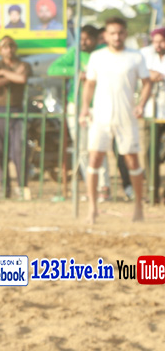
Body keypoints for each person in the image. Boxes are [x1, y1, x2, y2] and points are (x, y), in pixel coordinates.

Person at [80, 17, 151, 223]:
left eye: (120, 33)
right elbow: (90, 84)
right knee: (94, 158)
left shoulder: (135, 56)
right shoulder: (97, 57)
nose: (116, 37)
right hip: (101, 116)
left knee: (132, 160)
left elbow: (147, 83)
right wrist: (85, 108)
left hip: (126, 115)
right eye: (112, 33)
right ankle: (93, 208)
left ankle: (138, 207)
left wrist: (141, 104)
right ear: (106, 35)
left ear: (125, 34)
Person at [49, 25, 114, 199]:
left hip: (98, 105)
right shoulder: (75, 53)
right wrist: (76, 72)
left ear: (95, 39)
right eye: (81, 39)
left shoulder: (103, 53)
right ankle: (91, 187)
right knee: (82, 148)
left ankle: (103, 186)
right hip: (76, 104)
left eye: (87, 39)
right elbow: (53, 69)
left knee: (98, 147)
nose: (83, 42)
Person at [0, 36, 32, 199]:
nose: (9, 50)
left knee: (19, 150)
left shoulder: (24, 65)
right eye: (5, 47)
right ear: (0, 50)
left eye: (11, 46)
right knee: (0, 151)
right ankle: (4, 188)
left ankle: (22, 187)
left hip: (16, 110)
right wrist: (11, 76)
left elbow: (22, 78)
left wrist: (4, 74)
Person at [140, 28, 165, 203]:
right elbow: (138, 72)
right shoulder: (145, 55)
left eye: (161, 42)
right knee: (150, 153)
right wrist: (149, 74)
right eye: (156, 42)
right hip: (152, 111)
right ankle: (152, 192)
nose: (158, 45)